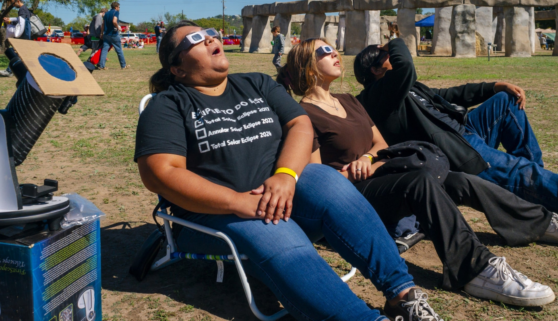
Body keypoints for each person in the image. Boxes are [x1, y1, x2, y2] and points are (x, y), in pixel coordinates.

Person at [134, 20, 443, 321]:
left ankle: (403, 296)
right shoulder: (168, 105)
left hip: (280, 194)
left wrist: (285, 175)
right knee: (271, 223)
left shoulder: (256, 83)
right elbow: (160, 172)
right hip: (214, 214)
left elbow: (300, 124)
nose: (209, 39)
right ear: (177, 69)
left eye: (209, 33)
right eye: (194, 40)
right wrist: (237, 202)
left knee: (324, 179)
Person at [277, 37, 557, 306]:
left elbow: (380, 144)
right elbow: (316, 180)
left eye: (333, 46)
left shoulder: (349, 100)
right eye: (325, 50)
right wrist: (352, 172)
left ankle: (540, 222)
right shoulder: (305, 115)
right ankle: (475, 270)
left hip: (379, 173)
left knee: (460, 181)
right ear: (309, 66)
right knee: (420, 181)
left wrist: (368, 158)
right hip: (351, 193)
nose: (335, 52)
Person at [355, 39, 558, 212]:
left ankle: (538, 190)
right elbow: (406, 65)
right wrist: (394, 42)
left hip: (464, 131)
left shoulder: (405, 88)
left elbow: (447, 95)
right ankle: (538, 186)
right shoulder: (377, 97)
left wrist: (495, 86)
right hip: (457, 150)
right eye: (388, 56)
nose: (393, 56)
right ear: (374, 69)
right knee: (521, 171)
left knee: (505, 100)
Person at [98, 2, 130, 70]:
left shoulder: (106, 13)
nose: (119, 8)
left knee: (104, 50)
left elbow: (103, 24)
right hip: (113, 34)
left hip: (106, 34)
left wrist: (101, 33)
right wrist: (118, 27)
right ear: (116, 7)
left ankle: (101, 65)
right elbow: (114, 21)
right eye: (119, 7)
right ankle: (123, 65)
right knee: (119, 50)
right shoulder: (116, 12)